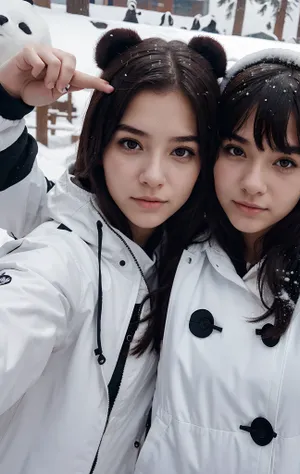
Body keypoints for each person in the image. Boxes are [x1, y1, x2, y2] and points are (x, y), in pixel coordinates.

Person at [1, 46, 300, 474]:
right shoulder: (174, 238)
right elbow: (56, 240)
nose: (252, 182)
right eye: (235, 150)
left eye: (285, 162)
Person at [0, 28, 225, 473]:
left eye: (182, 151)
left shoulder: (200, 265)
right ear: (99, 143)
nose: (153, 175)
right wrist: (5, 107)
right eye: (130, 143)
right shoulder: (61, 258)